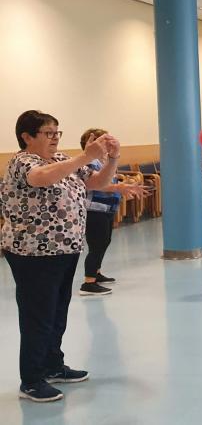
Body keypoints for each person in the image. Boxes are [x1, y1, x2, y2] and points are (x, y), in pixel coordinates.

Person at [1, 110, 120, 403]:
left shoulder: (61, 160)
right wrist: (83, 157)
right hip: (32, 252)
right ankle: (31, 380)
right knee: (37, 315)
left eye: (57, 132)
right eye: (48, 133)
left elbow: (97, 183)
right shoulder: (22, 162)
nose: (55, 138)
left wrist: (112, 159)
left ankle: (53, 365)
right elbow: (40, 179)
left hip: (65, 248)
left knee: (57, 312)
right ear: (27, 137)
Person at [78, 129, 150, 296]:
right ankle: (88, 283)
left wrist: (126, 183)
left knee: (104, 241)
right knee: (97, 245)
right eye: (104, 141)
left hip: (107, 208)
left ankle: (96, 272)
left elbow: (110, 179)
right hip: (94, 209)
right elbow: (93, 184)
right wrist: (118, 187)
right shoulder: (89, 163)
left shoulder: (104, 161)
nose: (109, 144)